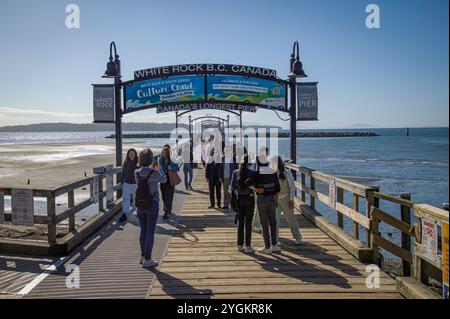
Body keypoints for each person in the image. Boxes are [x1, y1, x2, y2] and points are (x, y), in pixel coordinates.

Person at [134, 148, 167, 268]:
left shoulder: (136, 172)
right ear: (150, 159)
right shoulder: (154, 172)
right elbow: (164, 179)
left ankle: (143, 256)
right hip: (152, 203)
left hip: (140, 204)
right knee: (150, 232)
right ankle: (148, 259)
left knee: (143, 231)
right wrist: (158, 169)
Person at [247, 146, 281, 254]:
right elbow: (278, 188)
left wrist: (255, 188)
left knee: (264, 223)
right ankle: (275, 245)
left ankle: (267, 247)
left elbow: (247, 182)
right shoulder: (272, 171)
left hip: (262, 199)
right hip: (272, 199)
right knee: (273, 222)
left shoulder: (256, 172)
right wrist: (275, 197)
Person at [272, 156, 303, 245]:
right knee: (275, 220)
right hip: (275, 200)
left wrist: (291, 199)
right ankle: (275, 239)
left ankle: (298, 237)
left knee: (291, 219)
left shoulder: (286, 172)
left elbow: (292, 187)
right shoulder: (271, 173)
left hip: (286, 199)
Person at [231, 154, 255, 253]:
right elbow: (255, 186)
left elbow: (232, 188)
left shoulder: (236, 172)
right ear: (249, 162)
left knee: (240, 222)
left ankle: (239, 245)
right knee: (248, 223)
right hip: (249, 199)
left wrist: (236, 196)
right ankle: (248, 246)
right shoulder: (252, 173)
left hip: (239, 200)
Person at [159, 146, 180, 219]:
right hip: (163, 180)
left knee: (169, 196)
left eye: (165, 152)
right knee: (164, 196)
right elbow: (159, 166)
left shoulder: (172, 160)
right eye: (163, 152)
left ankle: (166, 211)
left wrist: (171, 168)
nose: (164, 154)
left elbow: (177, 168)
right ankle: (169, 207)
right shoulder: (161, 160)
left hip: (170, 180)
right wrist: (162, 157)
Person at [119, 148, 138, 222]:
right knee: (125, 198)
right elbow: (123, 173)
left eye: (133, 154)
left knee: (136, 198)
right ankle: (124, 214)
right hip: (126, 182)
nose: (131, 155)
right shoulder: (126, 162)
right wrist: (122, 182)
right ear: (128, 155)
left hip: (135, 183)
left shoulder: (138, 162)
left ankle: (138, 212)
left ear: (135, 154)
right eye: (130, 154)